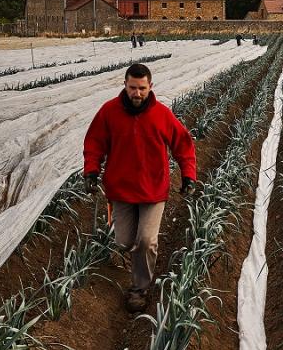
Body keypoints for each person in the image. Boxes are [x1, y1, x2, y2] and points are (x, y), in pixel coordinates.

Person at [83, 63, 197, 313]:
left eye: (142, 88)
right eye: (133, 88)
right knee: (125, 241)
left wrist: (188, 175)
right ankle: (135, 259)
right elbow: (94, 143)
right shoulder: (109, 112)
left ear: (150, 87)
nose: (137, 93)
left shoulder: (161, 114)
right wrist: (91, 170)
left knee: (145, 241)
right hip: (121, 189)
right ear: (125, 85)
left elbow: (183, 144)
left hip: (152, 190)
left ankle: (139, 288)